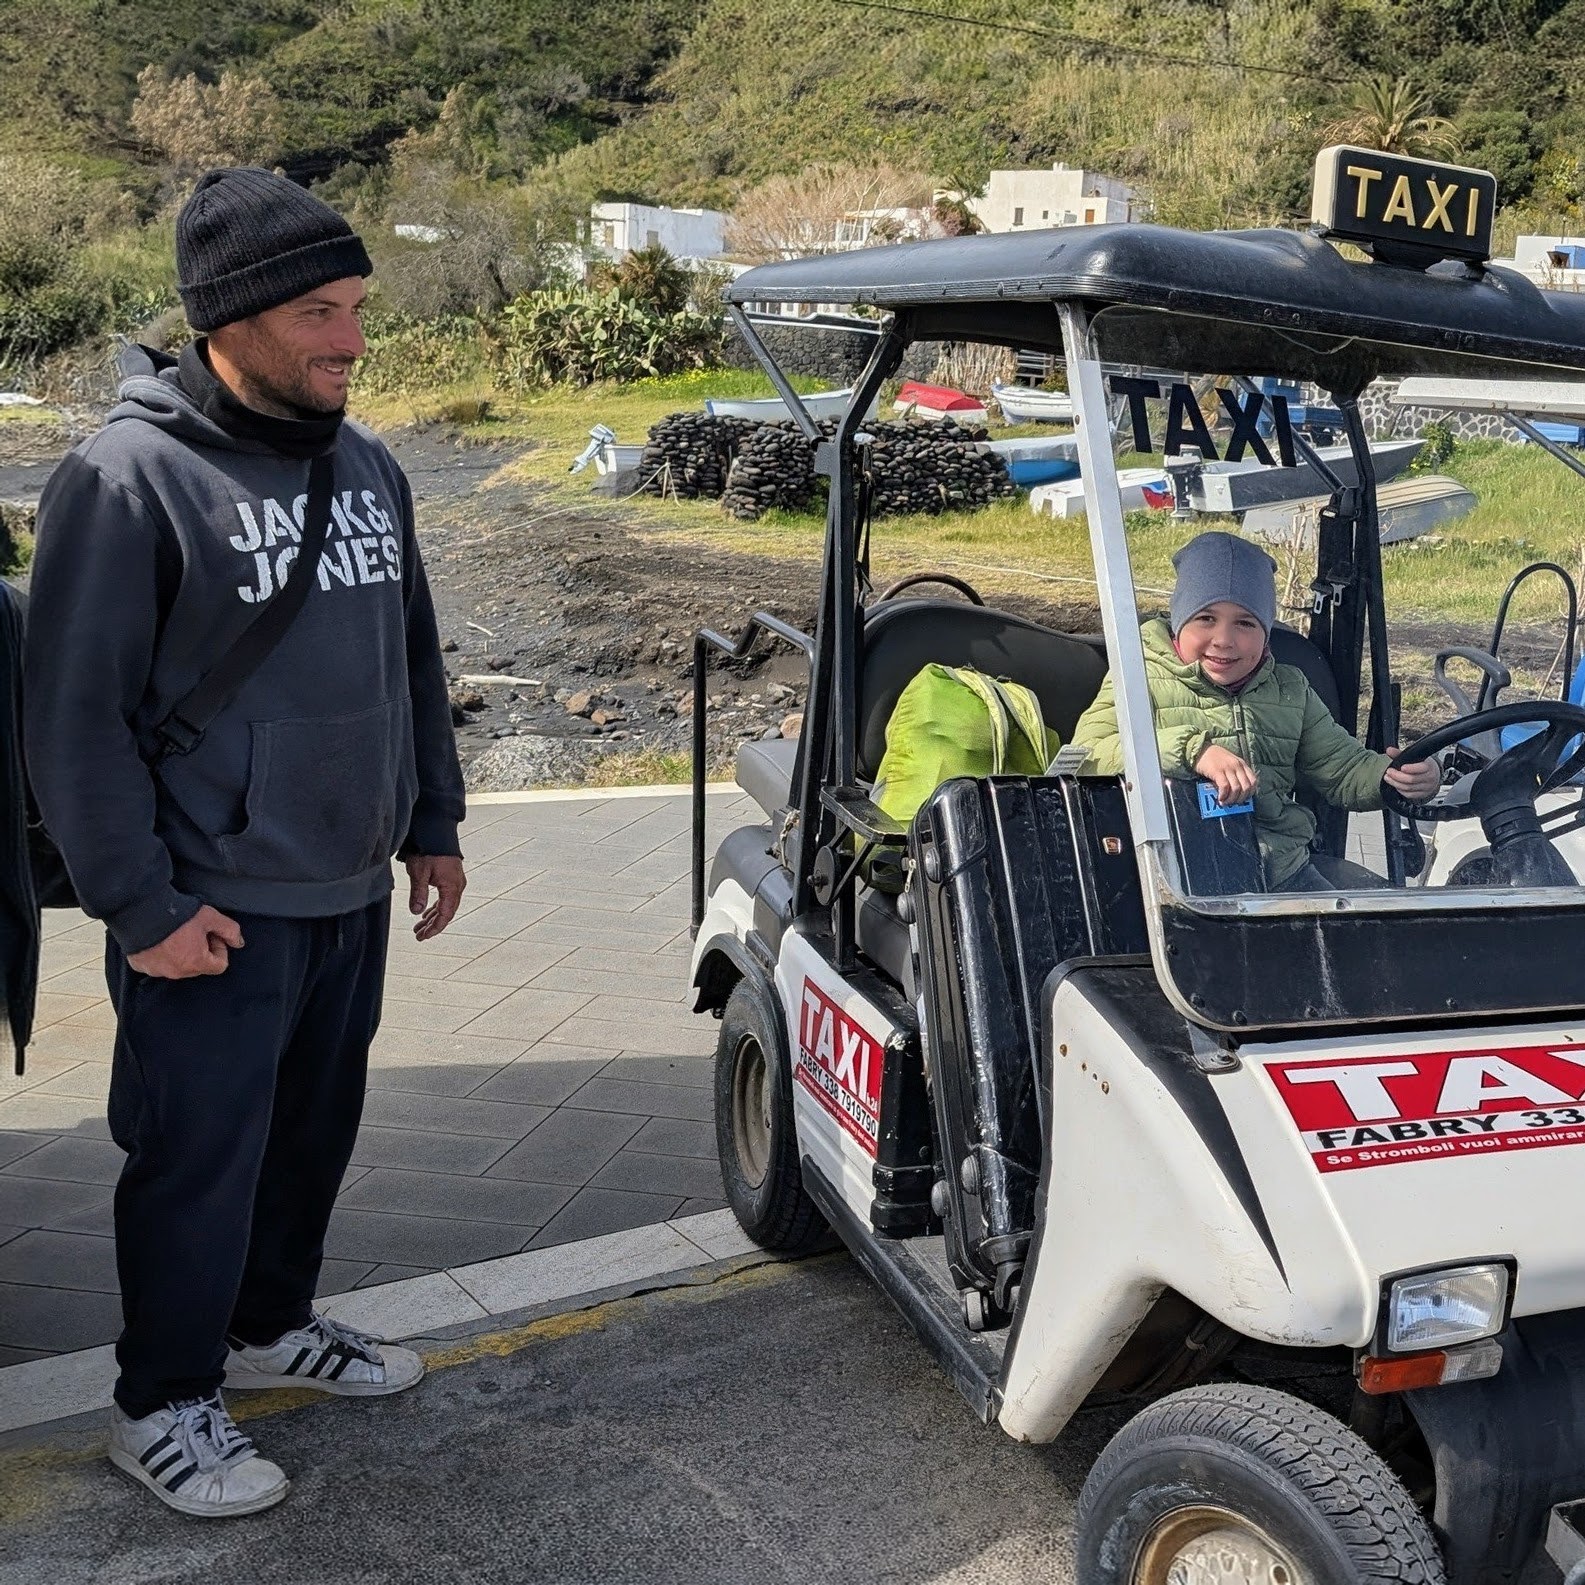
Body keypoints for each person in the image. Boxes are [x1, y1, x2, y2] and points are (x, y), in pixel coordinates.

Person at [24, 167, 467, 1517]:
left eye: (352, 309)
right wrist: (139, 903)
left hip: (345, 887)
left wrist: (433, 821)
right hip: (207, 904)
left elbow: (410, 657)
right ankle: (159, 1401)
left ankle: (273, 1328)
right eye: (317, 314)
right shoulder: (125, 478)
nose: (348, 338)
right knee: (197, 1158)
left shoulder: (369, 464)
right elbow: (73, 719)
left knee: (308, 1137)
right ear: (229, 319)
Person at [1070, 530, 1440, 890]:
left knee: (1363, 943)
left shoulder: (1291, 689)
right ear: (1179, 623)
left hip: (1281, 876)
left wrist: (1399, 778)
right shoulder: (1139, 678)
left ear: (1266, 632)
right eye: (1206, 618)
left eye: (1245, 623)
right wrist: (1193, 751)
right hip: (1170, 882)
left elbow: (1343, 770)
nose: (1224, 640)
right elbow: (1086, 757)